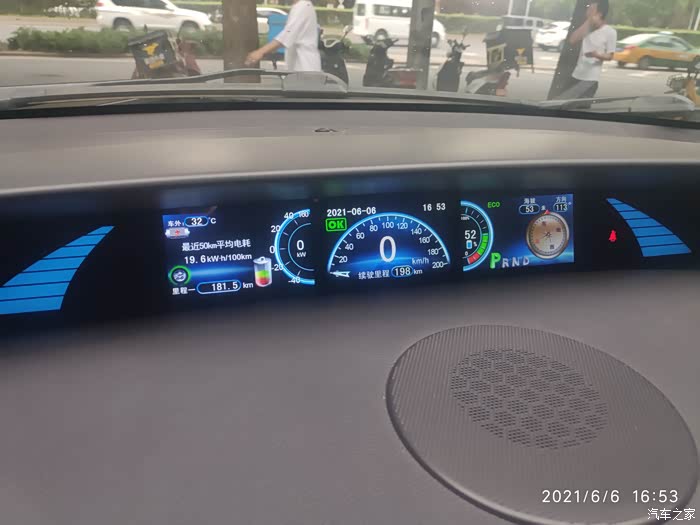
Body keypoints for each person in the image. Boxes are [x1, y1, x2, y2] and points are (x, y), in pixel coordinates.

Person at [558, 0, 617, 99]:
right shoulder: (587, 28)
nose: (587, 12)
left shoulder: (610, 32)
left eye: (591, 10)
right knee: (563, 103)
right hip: (576, 75)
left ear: (599, 14)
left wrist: (596, 55)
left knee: (580, 106)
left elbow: (610, 56)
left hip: (590, 79)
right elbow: (572, 40)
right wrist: (589, 21)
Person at [244, 0, 321, 72]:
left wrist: (260, 52)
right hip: (300, 67)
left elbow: (287, 34)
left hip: (306, 66)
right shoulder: (300, 6)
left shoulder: (303, 6)